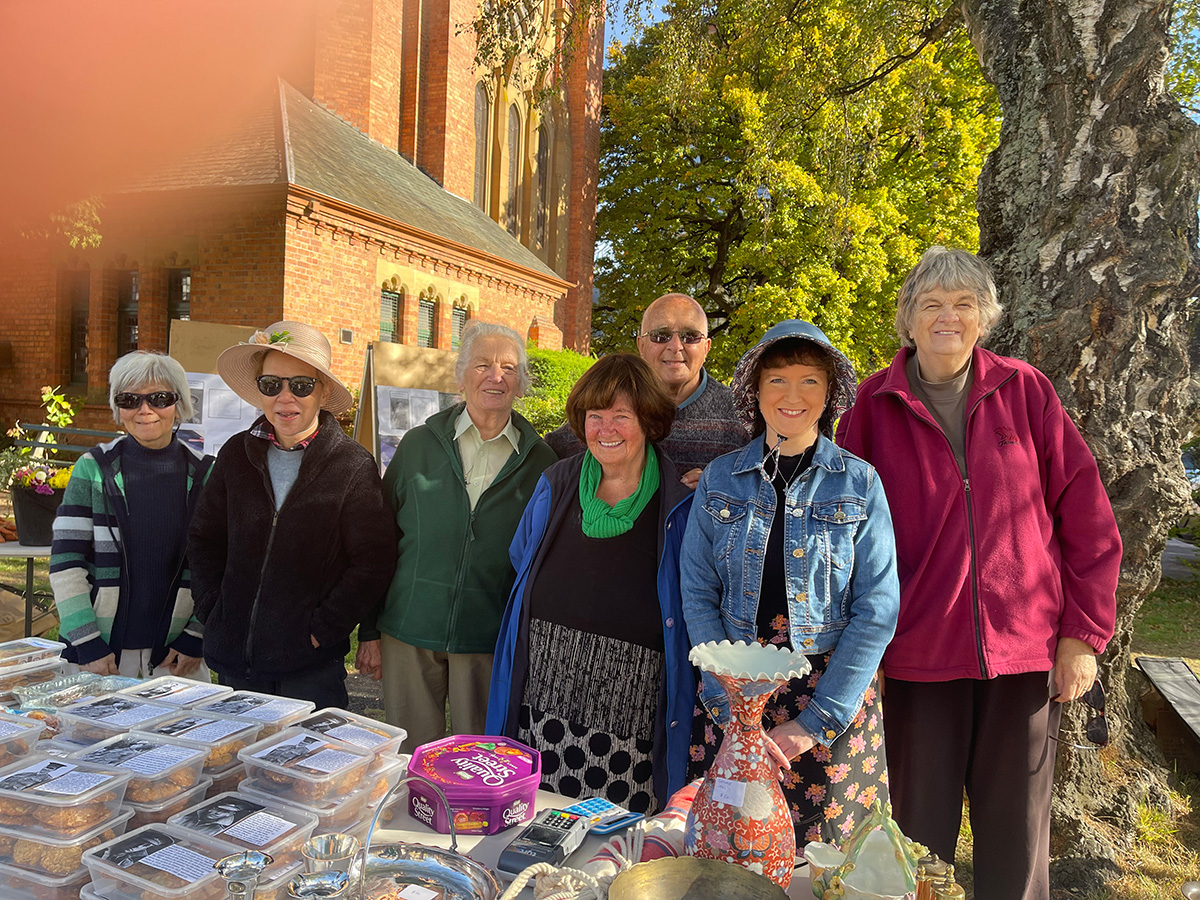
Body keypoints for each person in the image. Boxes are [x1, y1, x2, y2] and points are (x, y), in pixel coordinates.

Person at [836, 247, 1121, 900]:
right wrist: (862, 650)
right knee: (916, 847)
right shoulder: (871, 410)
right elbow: (841, 543)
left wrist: (1082, 635)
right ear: (908, 321)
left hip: (1024, 659)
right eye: (931, 304)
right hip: (916, 660)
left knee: (1018, 847)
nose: (948, 317)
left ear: (984, 318)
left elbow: (1088, 518)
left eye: (964, 304)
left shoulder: (1025, 391)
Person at [681, 320, 900, 848]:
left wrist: (816, 721)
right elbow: (697, 590)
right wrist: (728, 700)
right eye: (777, 380)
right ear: (755, 391)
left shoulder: (860, 482)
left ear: (829, 395)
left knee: (825, 866)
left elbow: (878, 608)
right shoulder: (720, 478)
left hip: (829, 698)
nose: (792, 395)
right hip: (735, 694)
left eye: (810, 381)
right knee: (729, 850)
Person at [487, 354, 695, 815]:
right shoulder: (556, 483)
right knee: (537, 821)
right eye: (594, 416)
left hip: (633, 706)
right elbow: (523, 557)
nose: (606, 429)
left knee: (614, 840)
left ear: (648, 420)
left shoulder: (679, 503)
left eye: (622, 415)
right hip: (545, 695)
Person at [356, 322, 556, 752]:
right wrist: (369, 630)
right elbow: (380, 540)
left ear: (521, 382)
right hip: (408, 629)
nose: (495, 376)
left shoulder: (542, 461)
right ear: (461, 375)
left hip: (486, 637)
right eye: (482, 364)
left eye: (508, 367)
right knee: (410, 761)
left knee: (481, 761)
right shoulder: (417, 445)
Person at [188, 320, 397, 709]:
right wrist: (214, 609)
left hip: (309, 669)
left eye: (300, 385)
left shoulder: (351, 466)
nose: (285, 397)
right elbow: (204, 538)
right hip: (236, 660)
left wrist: (323, 629)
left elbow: (373, 560)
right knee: (235, 765)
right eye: (271, 385)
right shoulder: (236, 454)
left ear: (322, 391)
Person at [51, 350, 214, 679]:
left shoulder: (206, 474)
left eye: (159, 398)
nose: (145, 410)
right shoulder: (93, 470)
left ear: (178, 403)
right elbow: (66, 563)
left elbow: (220, 567)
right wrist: (88, 644)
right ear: (118, 407)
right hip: (100, 658)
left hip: (176, 659)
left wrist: (195, 637)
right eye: (130, 400)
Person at [544, 293, 745, 488]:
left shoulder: (742, 416)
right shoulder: (605, 412)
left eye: (690, 336)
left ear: (706, 347)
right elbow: (547, 459)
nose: (675, 347)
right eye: (661, 336)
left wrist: (722, 487)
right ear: (641, 344)